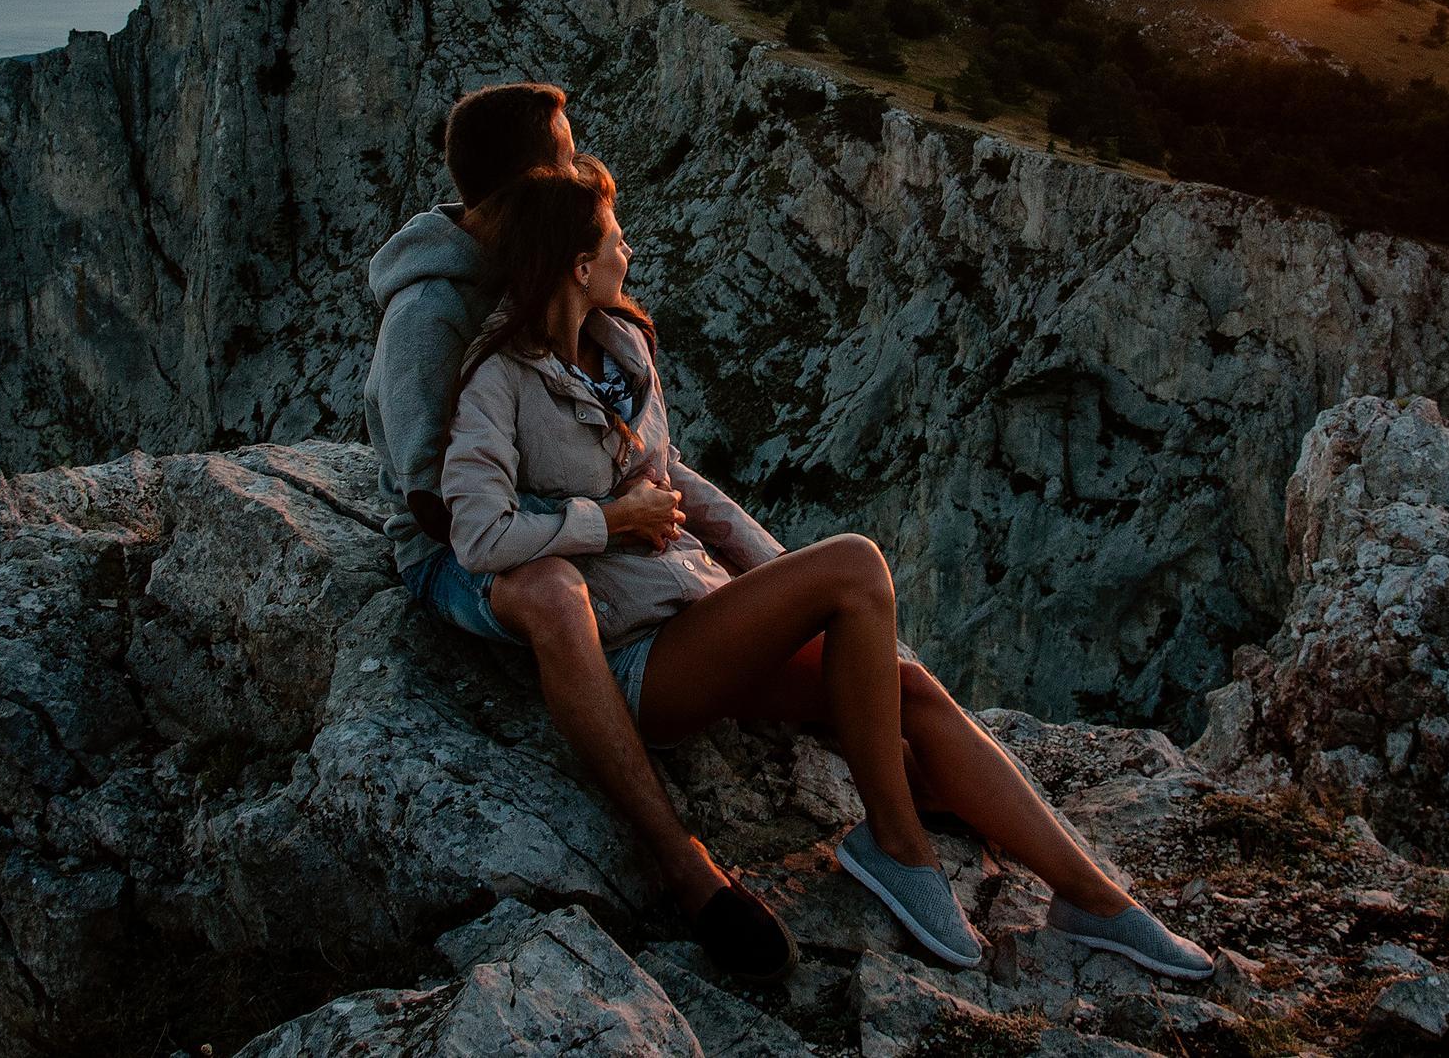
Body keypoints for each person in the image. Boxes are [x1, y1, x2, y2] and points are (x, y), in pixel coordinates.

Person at [434, 155, 1216, 980]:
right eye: (615, 238)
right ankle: (896, 844)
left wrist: (770, 573)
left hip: (701, 608)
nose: (630, 249)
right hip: (641, 655)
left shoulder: (621, 343)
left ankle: (1095, 900)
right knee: (854, 563)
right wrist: (607, 520)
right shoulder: (501, 380)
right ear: (579, 265)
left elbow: (675, 476)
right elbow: (479, 534)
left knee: (908, 687)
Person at [363, 82, 798, 981]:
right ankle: (684, 867)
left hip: (550, 511)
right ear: (530, 180)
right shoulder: (426, 316)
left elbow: (654, 463)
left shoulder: (552, 271)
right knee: (557, 594)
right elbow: (432, 505)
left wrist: (771, 571)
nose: (582, 171)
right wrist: (596, 525)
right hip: (454, 549)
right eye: (565, 156)